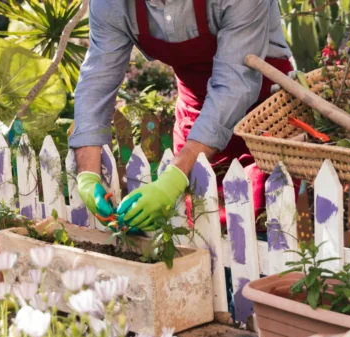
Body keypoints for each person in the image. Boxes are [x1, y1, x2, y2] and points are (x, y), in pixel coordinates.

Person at [70, 0, 292, 231]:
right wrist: (88, 175)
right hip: (195, 109)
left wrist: (176, 175)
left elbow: (234, 84)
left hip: (268, 114)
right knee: (200, 229)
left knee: (270, 226)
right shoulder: (110, 4)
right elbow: (97, 81)